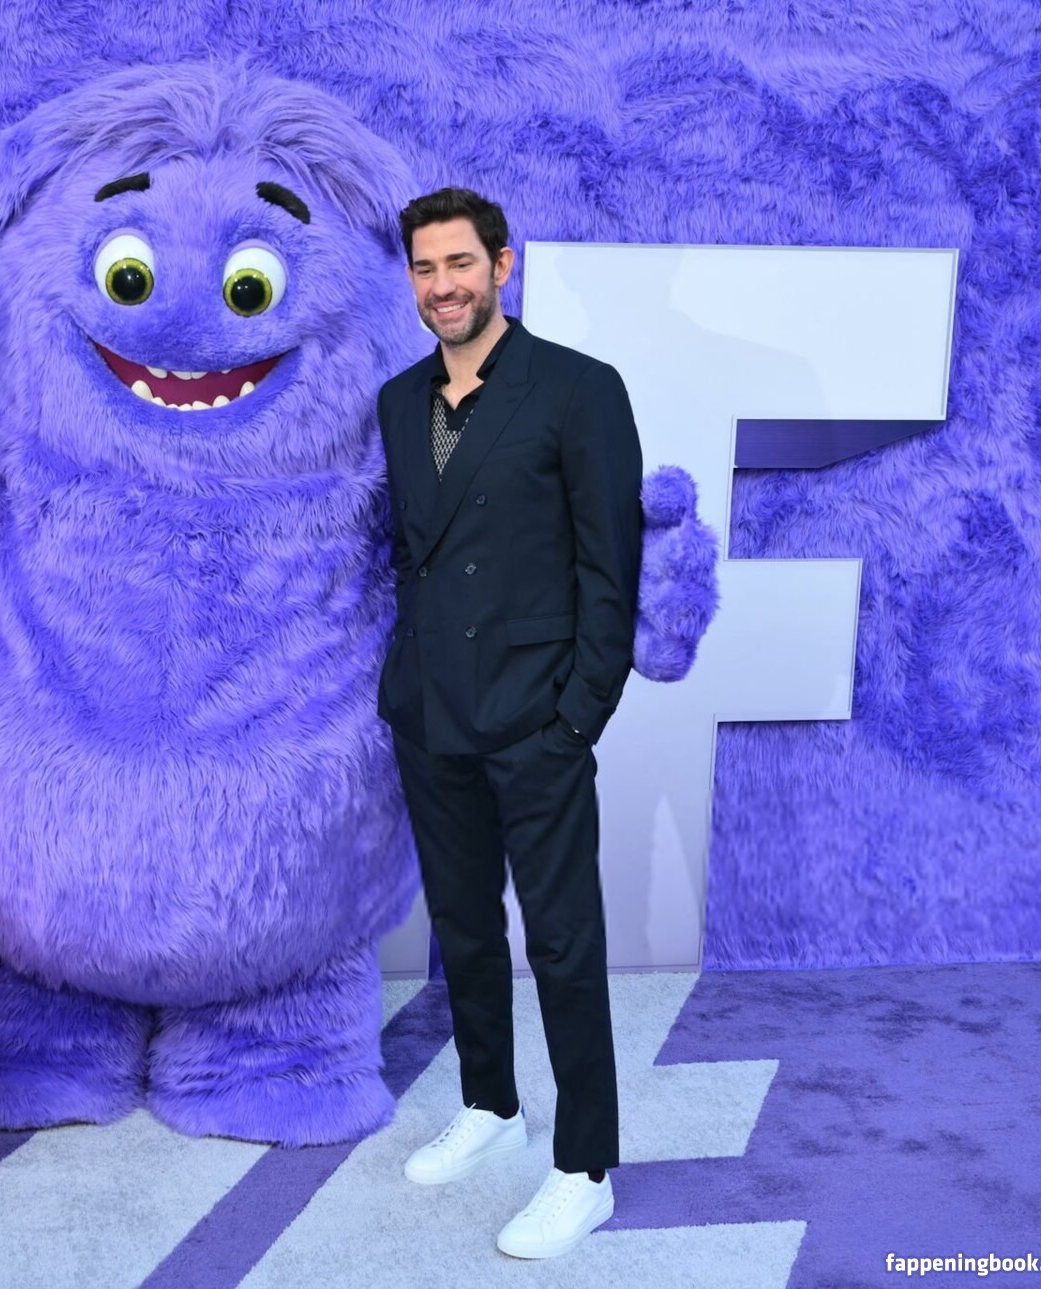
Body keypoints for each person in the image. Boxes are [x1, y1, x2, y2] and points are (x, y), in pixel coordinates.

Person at [375, 188, 643, 1258]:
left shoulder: (578, 389)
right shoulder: (400, 400)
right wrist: (405, 684)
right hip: (429, 711)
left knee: (564, 941)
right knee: (463, 929)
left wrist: (575, 717)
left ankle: (584, 1168)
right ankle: (490, 1102)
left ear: (502, 264)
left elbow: (610, 569)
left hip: (536, 719)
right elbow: (410, 556)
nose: (443, 285)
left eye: (461, 264)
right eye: (425, 268)